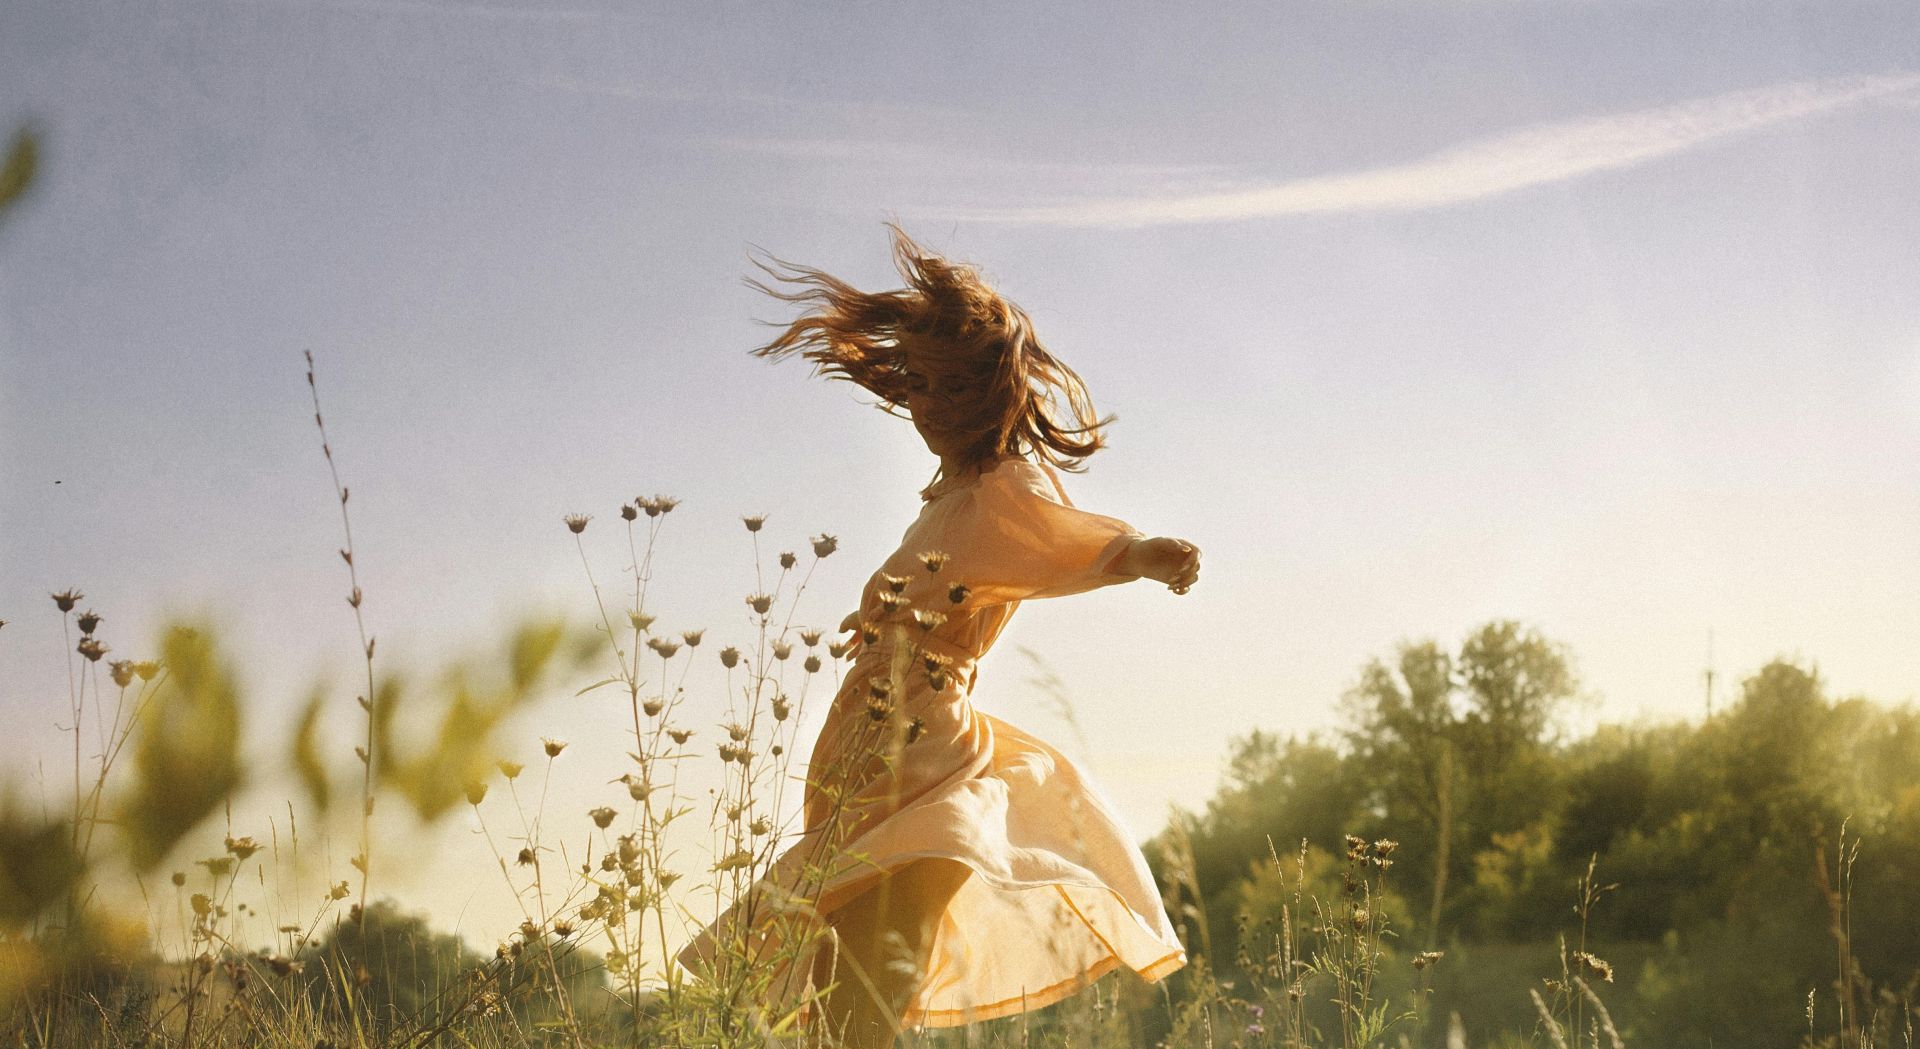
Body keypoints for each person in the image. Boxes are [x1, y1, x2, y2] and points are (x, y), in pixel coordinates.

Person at [676, 224, 1201, 1047]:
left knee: (859, 1015)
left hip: (922, 761)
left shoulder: (1003, 489)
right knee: (822, 1013)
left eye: (944, 386)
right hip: (866, 755)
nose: (923, 403)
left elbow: (1059, 537)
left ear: (986, 392)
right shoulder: (950, 493)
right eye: (916, 382)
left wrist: (1138, 554)